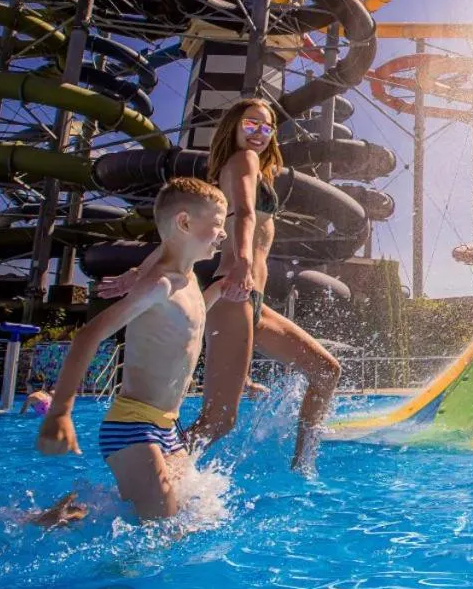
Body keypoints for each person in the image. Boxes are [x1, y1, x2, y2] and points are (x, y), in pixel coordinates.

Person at [99, 98, 341, 470]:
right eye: (251, 124)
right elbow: (243, 213)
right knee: (218, 421)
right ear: (233, 127)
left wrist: (138, 272)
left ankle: (303, 467)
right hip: (233, 294)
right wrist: (243, 259)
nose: (259, 133)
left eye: (266, 127)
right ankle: (154, 475)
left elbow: (180, 235)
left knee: (326, 371)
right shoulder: (242, 162)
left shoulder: (250, 171)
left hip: (251, 300)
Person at [35, 177, 231, 522]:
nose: (224, 233)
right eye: (217, 224)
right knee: (164, 527)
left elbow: (189, 319)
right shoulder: (159, 285)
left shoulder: (190, 282)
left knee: (192, 517)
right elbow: (88, 336)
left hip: (169, 428)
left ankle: (61, 517)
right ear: (184, 223)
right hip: (133, 425)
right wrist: (60, 412)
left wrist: (223, 288)